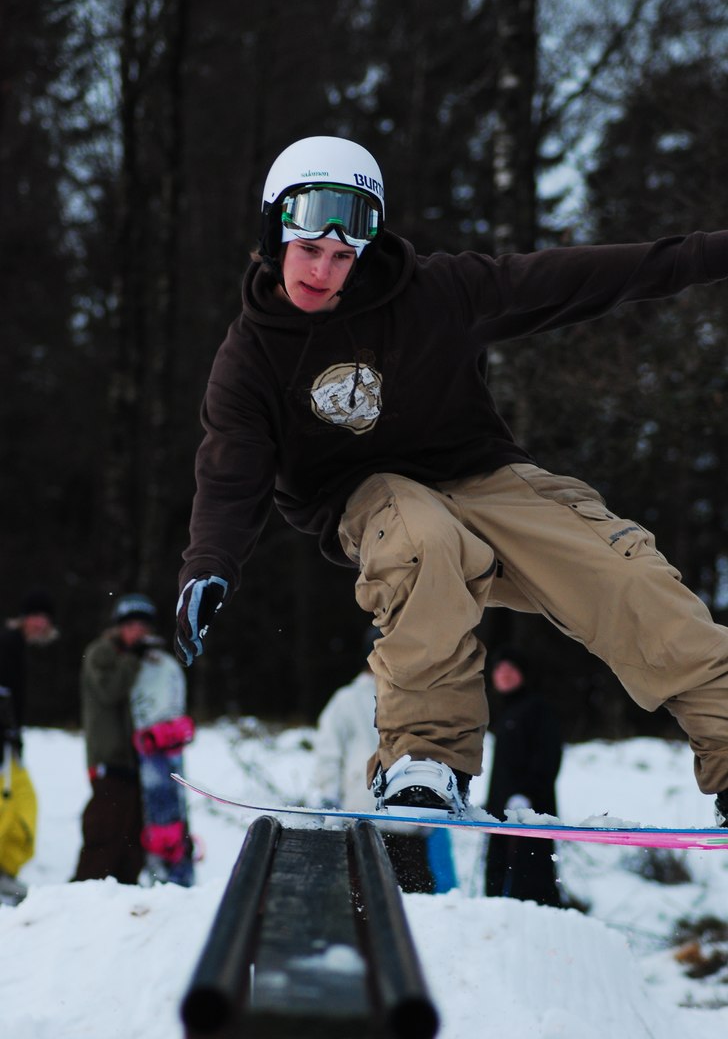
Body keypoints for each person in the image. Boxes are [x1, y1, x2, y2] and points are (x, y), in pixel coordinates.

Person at [174, 134, 728, 828]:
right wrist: (210, 563)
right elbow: (232, 472)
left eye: (343, 256)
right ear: (273, 235)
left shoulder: (436, 291)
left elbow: (575, 276)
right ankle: (424, 759)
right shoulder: (250, 357)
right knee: (423, 537)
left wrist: (709, 255)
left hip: (485, 476)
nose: (323, 270)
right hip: (368, 497)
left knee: (618, 568)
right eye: (309, 250)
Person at [314, 629, 457, 893]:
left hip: (408, 824)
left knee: (416, 908)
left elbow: (432, 756)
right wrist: (328, 797)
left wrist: (435, 803)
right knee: (364, 904)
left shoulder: (416, 701)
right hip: (361, 822)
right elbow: (329, 755)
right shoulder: (346, 701)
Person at [74, 593, 195, 886]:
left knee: (132, 838)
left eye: (144, 626)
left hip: (140, 762)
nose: (138, 632)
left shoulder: (150, 662)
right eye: (131, 625)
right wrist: (133, 659)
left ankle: (124, 894)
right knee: (104, 830)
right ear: (119, 627)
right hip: (109, 758)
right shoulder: (102, 653)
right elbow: (110, 691)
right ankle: (83, 893)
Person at [484, 644, 563, 907]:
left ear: (522, 674)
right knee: (498, 879)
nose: (504, 674)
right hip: (500, 814)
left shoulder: (537, 708)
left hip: (530, 813)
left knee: (530, 880)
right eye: (498, 669)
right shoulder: (504, 712)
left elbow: (549, 757)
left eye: (510, 669)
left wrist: (526, 794)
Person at [0, 590, 57, 904]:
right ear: (24, 618)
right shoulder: (7, 643)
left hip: (9, 742)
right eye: (35, 616)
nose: (40, 623)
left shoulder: (16, 646)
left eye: (44, 618)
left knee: (21, 804)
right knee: (11, 805)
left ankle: (6, 870)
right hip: (2, 743)